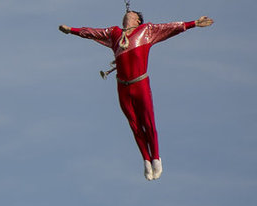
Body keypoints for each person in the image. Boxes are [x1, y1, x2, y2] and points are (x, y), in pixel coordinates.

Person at [58, 11, 214, 180]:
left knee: (148, 122)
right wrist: (71, 30)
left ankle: (156, 157)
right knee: (134, 124)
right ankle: (146, 160)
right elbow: (92, 32)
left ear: (137, 20)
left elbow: (170, 27)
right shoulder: (114, 33)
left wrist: (194, 23)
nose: (126, 13)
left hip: (140, 83)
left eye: (130, 13)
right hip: (123, 86)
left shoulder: (146, 31)